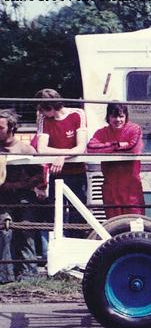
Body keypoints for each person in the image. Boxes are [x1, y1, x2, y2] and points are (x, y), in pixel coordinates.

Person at [35, 88, 88, 236]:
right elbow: (41, 148)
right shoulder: (43, 119)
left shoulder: (78, 114)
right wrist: (64, 155)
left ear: (50, 107)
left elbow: (81, 147)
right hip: (56, 173)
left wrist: (61, 157)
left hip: (77, 173)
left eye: (42, 109)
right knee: (55, 212)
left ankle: (78, 247)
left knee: (78, 212)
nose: (41, 113)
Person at [0, 109, 44, 282]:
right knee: (4, 232)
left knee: (26, 231)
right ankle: (5, 276)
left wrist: (19, 185)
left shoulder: (26, 149)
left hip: (25, 197)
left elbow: (40, 175)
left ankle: (29, 274)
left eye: (0, 127)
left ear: (11, 128)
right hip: (2, 198)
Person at [87, 103, 145, 218]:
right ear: (108, 117)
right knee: (114, 226)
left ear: (126, 117)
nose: (118, 120)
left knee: (136, 225)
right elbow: (91, 148)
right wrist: (116, 145)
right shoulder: (101, 132)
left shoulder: (134, 129)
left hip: (132, 189)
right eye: (114, 116)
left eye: (121, 116)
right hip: (111, 189)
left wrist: (105, 148)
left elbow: (134, 149)